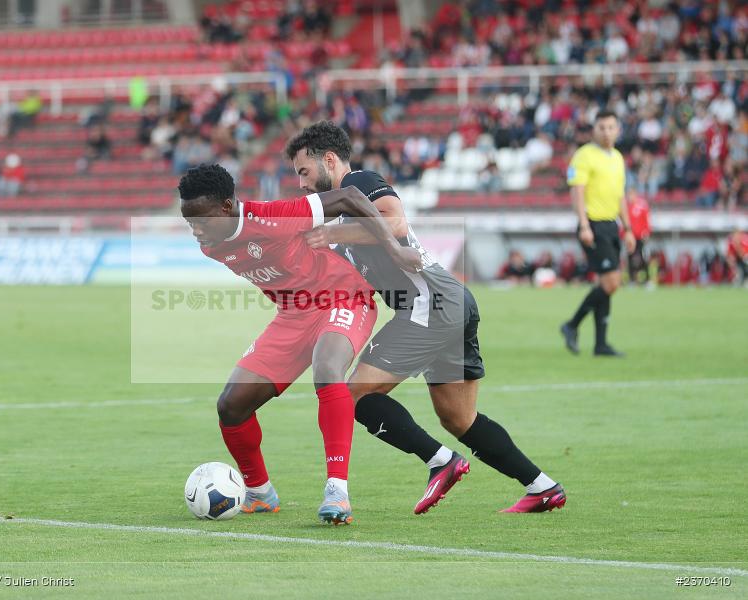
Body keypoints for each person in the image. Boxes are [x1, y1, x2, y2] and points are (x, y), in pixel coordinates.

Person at [286, 121, 565, 514]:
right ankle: (542, 486)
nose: (301, 184)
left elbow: (397, 224)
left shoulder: (359, 184)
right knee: (459, 417)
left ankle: (441, 461)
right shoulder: (340, 219)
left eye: (304, 172)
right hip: (449, 302)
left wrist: (335, 236)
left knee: (352, 395)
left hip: (430, 304)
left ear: (329, 160)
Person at [178, 164, 421, 525]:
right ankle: (259, 493)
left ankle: (337, 491)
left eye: (201, 220)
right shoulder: (211, 244)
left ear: (227, 207)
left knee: (327, 369)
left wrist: (396, 251)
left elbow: (349, 197)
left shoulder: (272, 217)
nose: (196, 230)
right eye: (189, 222)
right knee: (231, 406)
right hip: (293, 315)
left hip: (344, 297)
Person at [560, 111, 636, 357]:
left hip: (612, 225)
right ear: (594, 129)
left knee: (607, 284)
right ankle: (571, 325)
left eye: (611, 127)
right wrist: (583, 225)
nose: (606, 132)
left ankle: (601, 344)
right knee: (612, 281)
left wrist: (629, 228)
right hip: (593, 224)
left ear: (618, 129)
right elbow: (577, 192)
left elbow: (620, 196)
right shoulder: (583, 156)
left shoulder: (617, 158)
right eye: (602, 127)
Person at [626, 193, 651, 284]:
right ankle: (632, 280)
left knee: (642, 257)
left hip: (640, 237)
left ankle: (647, 279)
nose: (630, 197)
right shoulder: (627, 207)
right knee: (630, 258)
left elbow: (647, 220)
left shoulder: (642, 206)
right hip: (630, 237)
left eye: (631, 194)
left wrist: (647, 232)